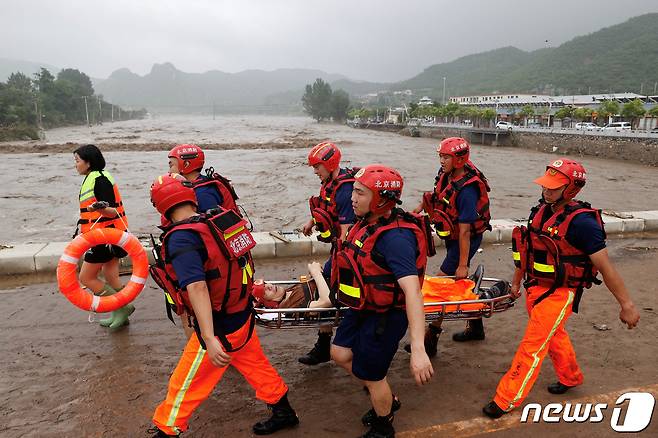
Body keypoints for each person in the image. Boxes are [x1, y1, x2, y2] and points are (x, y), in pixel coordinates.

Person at [482, 158, 641, 419]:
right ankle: (570, 377)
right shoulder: (541, 211)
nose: (547, 190)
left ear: (572, 189)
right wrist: (515, 282)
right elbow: (525, 250)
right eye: (545, 185)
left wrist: (627, 305)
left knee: (532, 347)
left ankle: (505, 399)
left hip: (560, 293)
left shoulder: (583, 224)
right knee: (554, 336)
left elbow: (606, 267)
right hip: (535, 289)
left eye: (554, 187)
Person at [148, 174, 298, 437]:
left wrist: (208, 336)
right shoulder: (218, 222)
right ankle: (284, 412)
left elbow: (197, 287)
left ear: (160, 206)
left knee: (185, 383)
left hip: (219, 327)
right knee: (256, 366)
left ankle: (167, 430)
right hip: (241, 316)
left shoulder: (182, 238)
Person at [330, 164, 435, 438]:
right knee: (340, 353)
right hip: (365, 306)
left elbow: (413, 293)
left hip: (386, 316)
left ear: (381, 200)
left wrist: (419, 348)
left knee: (373, 376)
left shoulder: (396, 239)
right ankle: (387, 398)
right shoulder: (369, 223)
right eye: (353, 190)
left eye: (360, 193)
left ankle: (384, 423)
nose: (352, 198)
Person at [413, 137, 491, 356]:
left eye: (446, 157)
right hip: (454, 234)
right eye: (440, 156)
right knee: (459, 282)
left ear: (459, 159)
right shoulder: (446, 175)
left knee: (442, 285)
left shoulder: (467, 189)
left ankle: (431, 337)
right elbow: (435, 196)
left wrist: (463, 264)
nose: (442, 160)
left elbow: (465, 231)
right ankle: (476, 328)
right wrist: (417, 211)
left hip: (465, 238)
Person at [298, 141, 357, 366]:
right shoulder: (329, 183)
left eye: (317, 167)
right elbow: (325, 207)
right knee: (326, 287)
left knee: (331, 290)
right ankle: (323, 344)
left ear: (330, 164)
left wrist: (339, 262)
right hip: (339, 249)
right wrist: (311, 221)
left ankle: (332, 345)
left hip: (348, 252)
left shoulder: (344, 191)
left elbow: (346, 231)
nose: (315, 171)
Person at [73, 144, 134, 329]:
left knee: (86, 278)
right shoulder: (94, 177)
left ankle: (121, 307)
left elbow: (112, 210)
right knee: (111, 276)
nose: (75, 165)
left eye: (77, 161)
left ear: (88, 162)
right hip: (105, 235)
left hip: (104, 238)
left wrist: (98, 208)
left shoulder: (100, 179)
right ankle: (121, 311)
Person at [168, 143, 240, 214]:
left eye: (171, 166)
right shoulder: (203, 182)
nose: (169, 171)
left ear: (186, 165)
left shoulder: (202, 194)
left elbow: (210, 223)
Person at [252, 262, 333, 309]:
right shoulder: (293, 307)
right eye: (264, 291)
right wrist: (316, 273)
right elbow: (326, 302)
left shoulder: (288, 292)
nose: (269, 286)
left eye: (265, 283)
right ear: (268, 303)